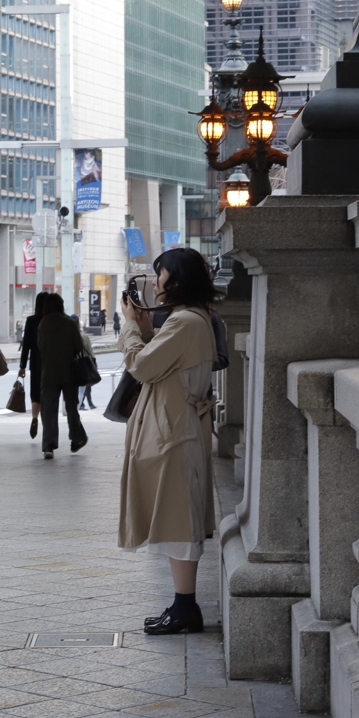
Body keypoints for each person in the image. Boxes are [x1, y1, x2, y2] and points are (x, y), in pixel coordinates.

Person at [118, 246, 217, 635]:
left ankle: (185, 609)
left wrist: (129, 327)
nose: (155, 283)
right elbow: (161, 359)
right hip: (175, 429)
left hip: (174, 434)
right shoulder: (189, 319)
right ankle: (180, 605)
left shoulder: (185, 323)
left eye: (159, 274)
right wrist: (143, 329)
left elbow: (142, 367)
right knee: (176, 519)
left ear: (175, 279)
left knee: (179, 522)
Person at [36, 293, 87, 459]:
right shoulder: (69, 323)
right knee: (71, 407)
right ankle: (77, 438)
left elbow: (40, 347)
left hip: (48, 373)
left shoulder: (43, 324)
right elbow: (78, 346)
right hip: (69, 372)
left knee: (49, 410)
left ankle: (48, 446)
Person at [18, 291, 48, 441]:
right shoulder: (51, 320)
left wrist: (22, 366)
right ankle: (46, 426)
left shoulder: (31, 321)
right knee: (47, 395)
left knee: (35, 394)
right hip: (50, 364)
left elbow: (26, 346)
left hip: (35, 363)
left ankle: (35, 417)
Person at [71, 313, 97, 410]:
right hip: (83, 365)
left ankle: (75, 409)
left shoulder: (68, 336)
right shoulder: (83, 336)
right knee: (82, 389)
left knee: (73, 390)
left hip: (71, 366)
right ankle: (77, 408)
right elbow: (90, 352)